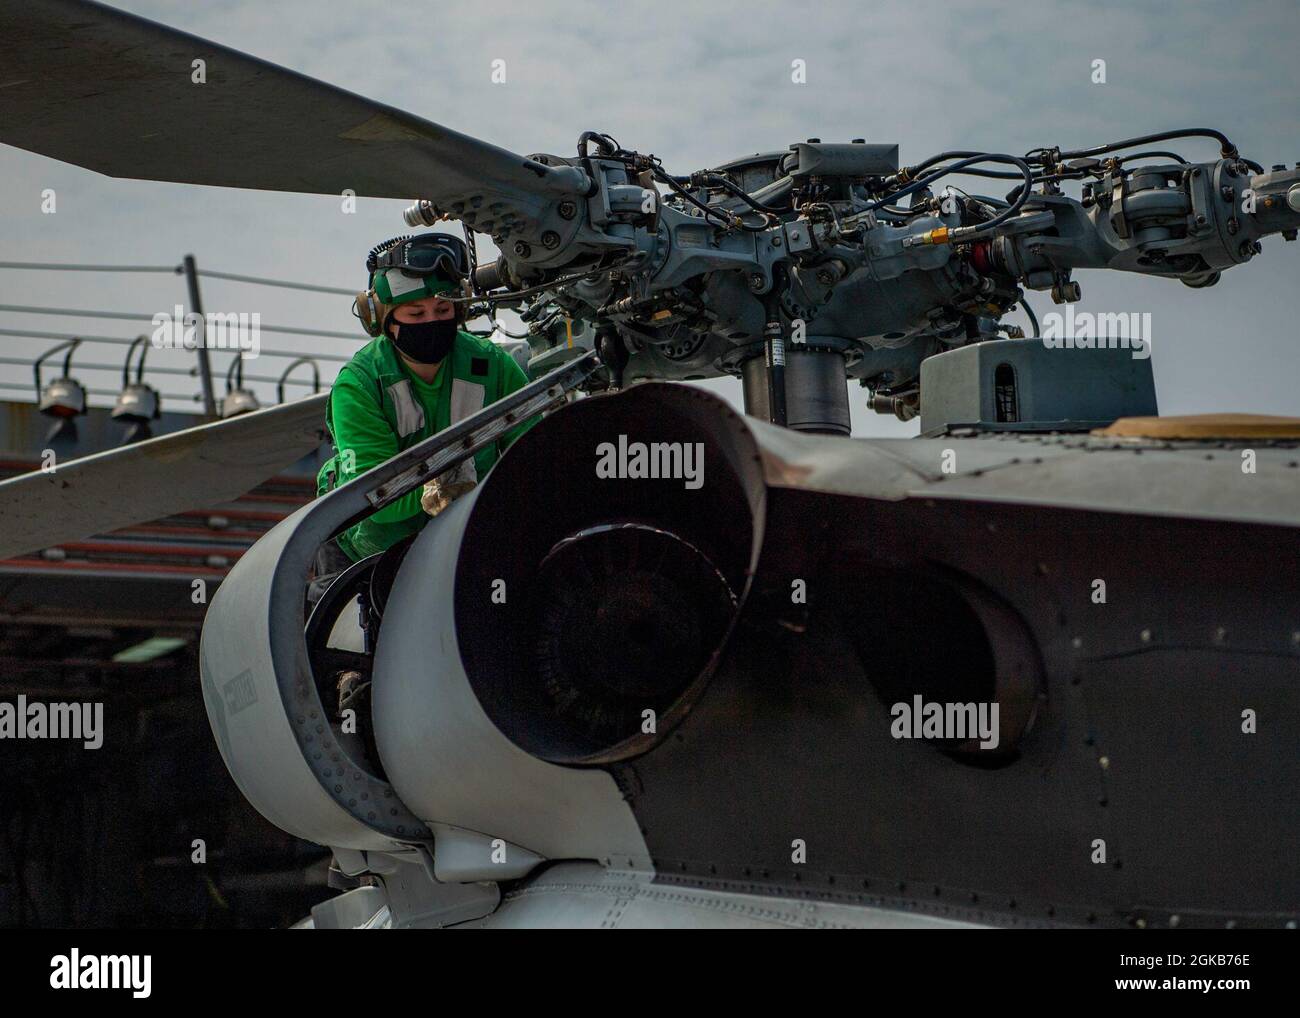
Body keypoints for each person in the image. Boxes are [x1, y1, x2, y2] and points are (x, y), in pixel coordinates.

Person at [315, 232, 535, 569]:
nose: (431, 322)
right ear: (383, 321)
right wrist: (442, 487)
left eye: (442, 309)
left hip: (465, 543)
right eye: (416, 315)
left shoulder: (492, 367)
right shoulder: (360, 384)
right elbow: (375, 496)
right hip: (370, 554)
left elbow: (532, 452)